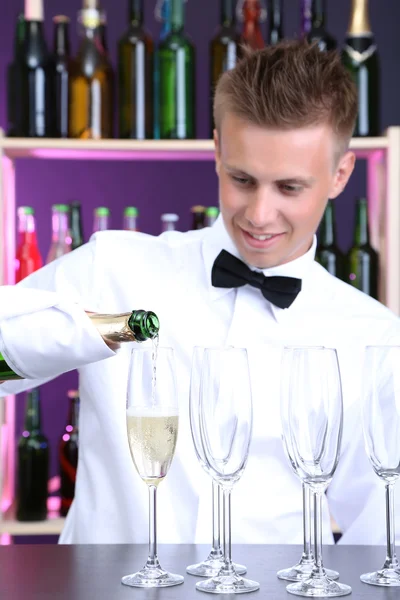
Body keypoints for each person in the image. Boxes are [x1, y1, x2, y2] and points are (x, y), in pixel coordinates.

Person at [1, 40, 399, 545]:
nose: (259, 213)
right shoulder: (113, 267)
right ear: (216, 152)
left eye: (290, 188)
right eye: (242, 179)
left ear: (340, 175)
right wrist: (71, 336)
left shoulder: (375, 338)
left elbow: (384, 524)